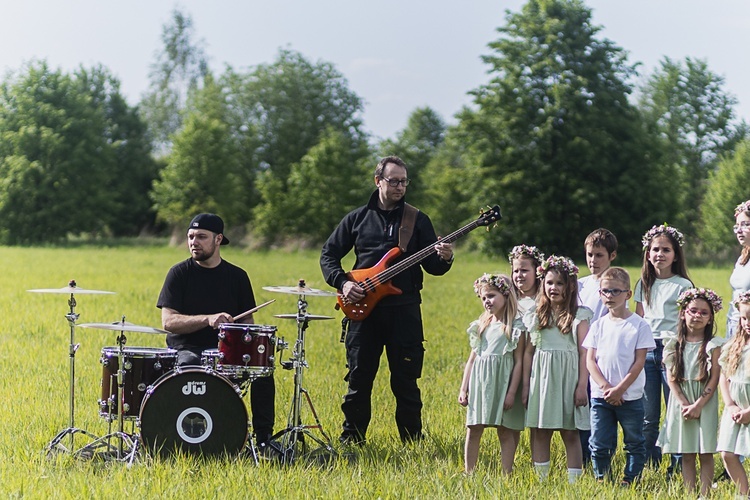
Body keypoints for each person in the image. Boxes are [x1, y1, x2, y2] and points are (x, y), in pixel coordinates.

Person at [319, 155, 454, 445]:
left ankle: (412, 442)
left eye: (404, 182)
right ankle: (351, 441)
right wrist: (343, 283)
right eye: (394, 181)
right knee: (358, 380)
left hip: (403, 312)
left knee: (405, 381)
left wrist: (446, 258)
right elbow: (328, 255)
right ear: (378, 180)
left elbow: (433, 267)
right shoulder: (356, 218)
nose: (400, 187)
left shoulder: (417, 220)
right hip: (362, 312)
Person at [157, 213, 276, 449]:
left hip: (227, 352)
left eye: (201, 237)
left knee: (263, 372)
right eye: (190, 237)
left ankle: (264, 441)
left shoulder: (238, 277)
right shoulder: (178, 274)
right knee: (190, 364)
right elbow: (168, 322)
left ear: (218, 239)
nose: (194, 242)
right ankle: (181, 438)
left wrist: (248, 338)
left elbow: (248, 324)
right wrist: (207, 319)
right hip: (186, 348)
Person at [523, 255, 591, 483]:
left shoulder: (579, 316)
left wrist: (582, 386)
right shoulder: (536, 315)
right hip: (542, 380)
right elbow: (529, 353)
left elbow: (585, 353)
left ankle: (574, 483)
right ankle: (541, 480)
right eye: (549, 282)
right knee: (541, 430)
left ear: (570, 286)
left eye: (559, 283)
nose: (553, 288)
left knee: (570, 432)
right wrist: (525, 386)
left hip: (568, 379)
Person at [584, 267, 654, 486]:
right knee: (599, 442)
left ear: (628, 294)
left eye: (615, 291)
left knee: (634, 441)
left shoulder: (639, 325)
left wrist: (620, 389)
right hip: (600, 397)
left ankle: (630, 479)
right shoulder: (597, 325)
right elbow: (590, 360)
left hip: (629, 396)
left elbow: (639, 362)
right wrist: (606, 387)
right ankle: (602, 478)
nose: (610, 296)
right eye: (605, 291)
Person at [634, 223, 693, 470]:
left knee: (675, 411)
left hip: (672, 350)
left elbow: (687, 322)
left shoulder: (683, 286)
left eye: (666, 250)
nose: (660, 254)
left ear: (675, 255)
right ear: (648, 254)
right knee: (648, 417)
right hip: (647, 351)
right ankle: (651, 464)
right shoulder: (644, 283)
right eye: (655, 249)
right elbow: (638, 319)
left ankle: (677, 465)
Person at [658, 288, 723, 496]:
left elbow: (714, 378)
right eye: (693, 310)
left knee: (705, 452)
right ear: (683, 312)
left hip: (704, 402)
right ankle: (689, 492)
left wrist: (698, 405)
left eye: (704, 312)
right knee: (687, 453)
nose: (697, 316)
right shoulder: (673, 343)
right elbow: (671, 378)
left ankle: (704, 494)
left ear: (710, 317)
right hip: (682, 403)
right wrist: (685, 405)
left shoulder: (713, 346)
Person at [458, 274, 525, 474]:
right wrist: (464, 388)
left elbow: (519, 361)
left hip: (502, 384)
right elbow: (472, 359)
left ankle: (507, 472)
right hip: (481, 384)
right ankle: (469, 471)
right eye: (484, 297)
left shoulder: (515, 327)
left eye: (492, 296)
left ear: (506, 295)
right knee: (474, 427)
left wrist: (512, 392)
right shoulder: (481, 325)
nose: (487, 301)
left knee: (505, 430)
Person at [577, 228, 618, 466]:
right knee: (583, 410)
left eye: (599, 255)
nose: (593, 260)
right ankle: (583, 457)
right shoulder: (580, 284)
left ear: (612, 256)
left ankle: (602, 457)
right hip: (579, 355)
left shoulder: (614, 284)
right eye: (590, 254)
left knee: (600, 410)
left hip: (602, 356)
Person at [718, 290, 750, 496]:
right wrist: (730, 404)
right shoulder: (734, 345)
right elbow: (724, 376)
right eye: (744, 317)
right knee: (727, 453)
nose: (747, 322)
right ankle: (743, 493)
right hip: (735, 410)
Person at [727, 200, 750, 339]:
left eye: (745, 224)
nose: (739, 231)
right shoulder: (742, 257)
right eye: (737, 226)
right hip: (734, 323)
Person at [508, 244, 545, 315]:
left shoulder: (543, 301)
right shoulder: (509, 301)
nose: (519, 275)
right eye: (515, 271)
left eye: (524, 270)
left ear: (537, 272)